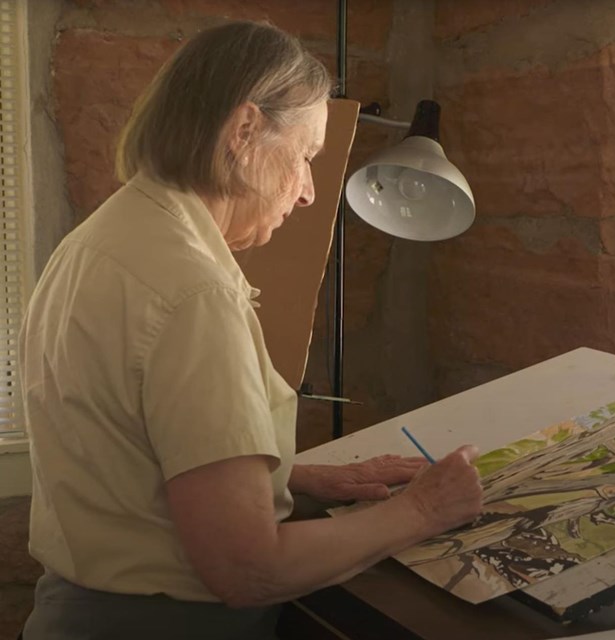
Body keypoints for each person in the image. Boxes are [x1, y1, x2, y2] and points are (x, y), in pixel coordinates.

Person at [18, 20, 483, 640]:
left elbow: (129, 442)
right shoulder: (192, 290)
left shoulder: (102, 239)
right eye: (307, 156)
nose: (310, 193)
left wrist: (286, 473)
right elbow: (247, 570)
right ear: (244, 131)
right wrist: (422, 510)